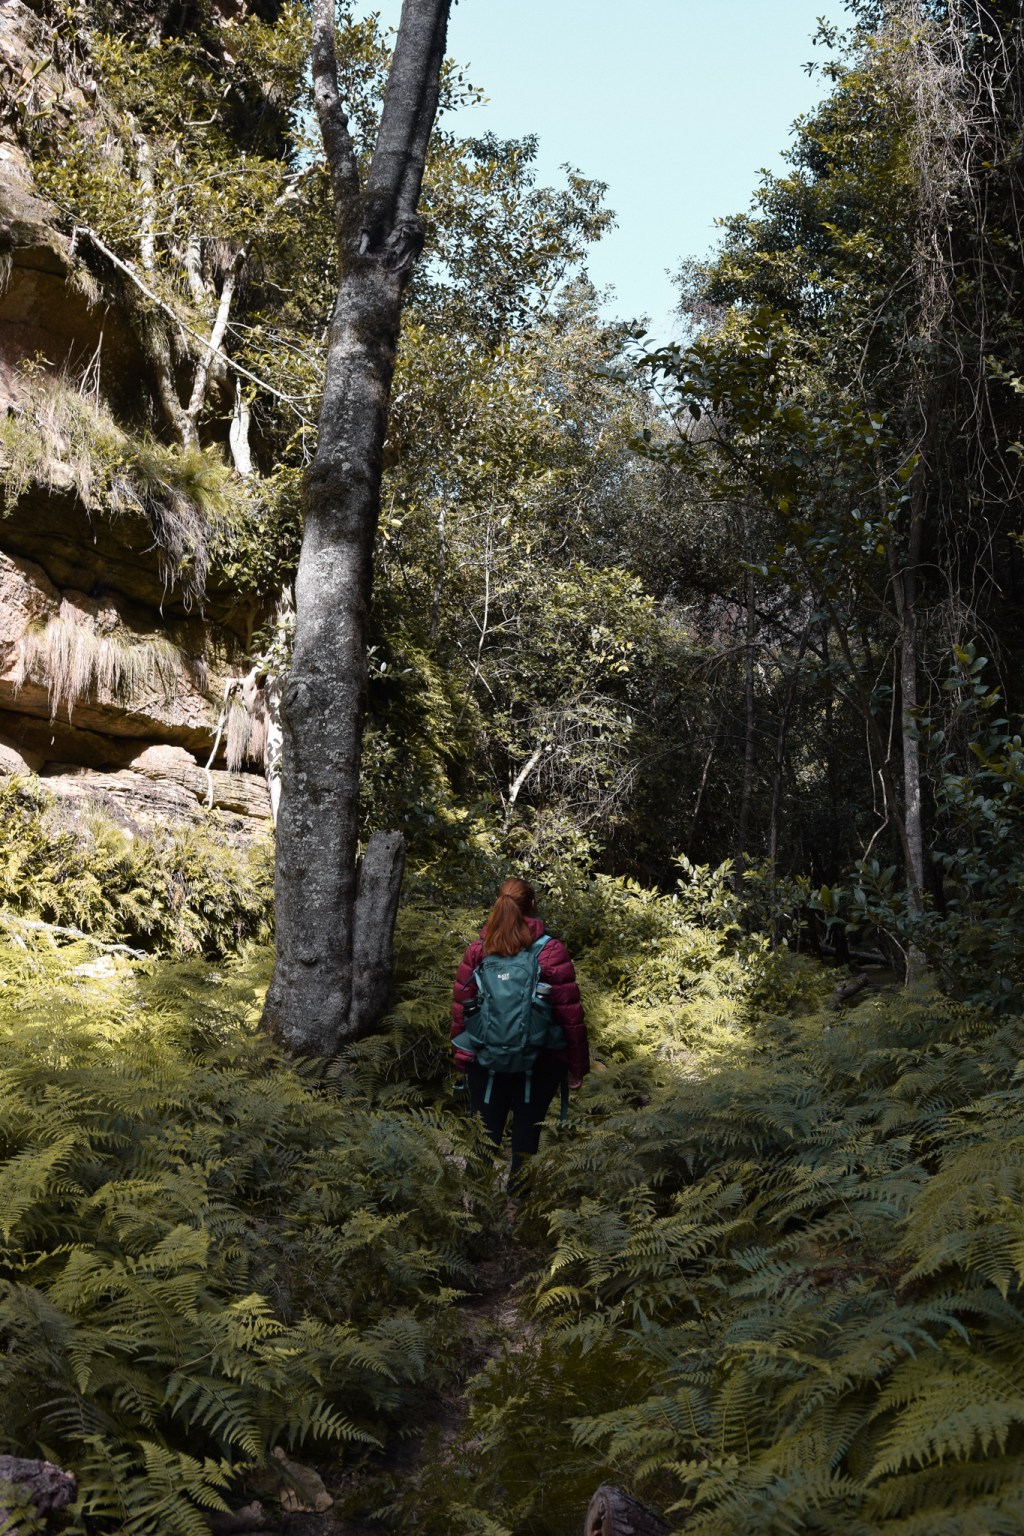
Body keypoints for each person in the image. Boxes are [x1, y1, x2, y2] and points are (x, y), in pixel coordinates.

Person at [451, 877, 588, 1175]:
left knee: (483, 1135)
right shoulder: (551, 951)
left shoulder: (479, 949)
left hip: (485, 1060)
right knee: (527, 1135)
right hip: (541, 1060)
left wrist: (463, 1057)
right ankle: (518, 1207)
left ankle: (472, 1206)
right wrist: (576, 1066)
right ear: (533, 905)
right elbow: (570, 1015)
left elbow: (463, 1007)